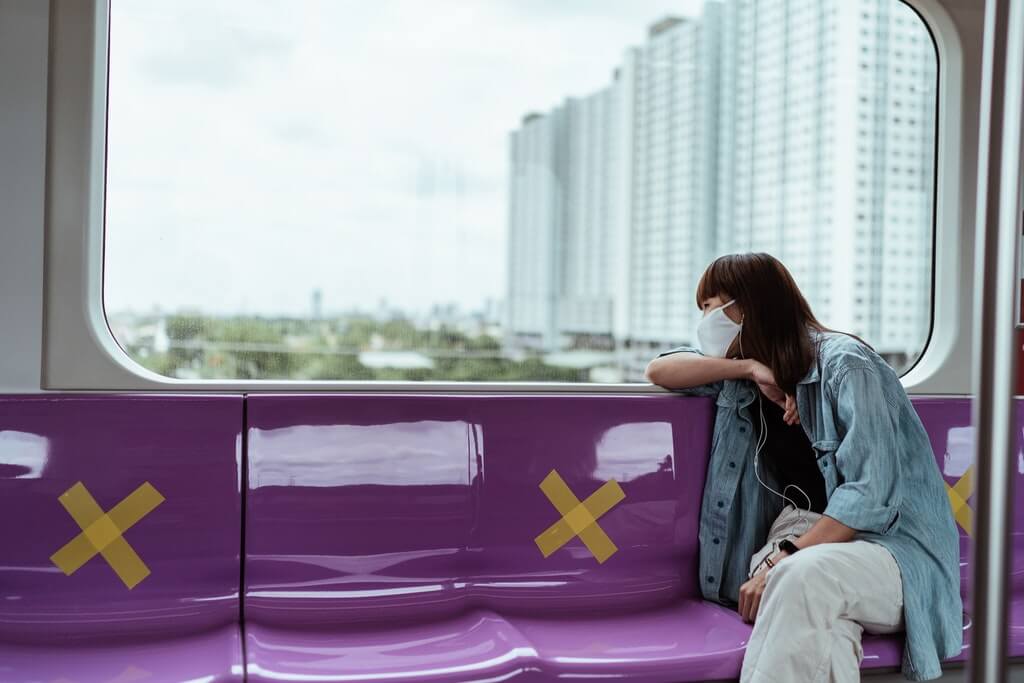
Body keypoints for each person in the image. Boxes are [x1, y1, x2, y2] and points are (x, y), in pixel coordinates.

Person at [644, 253, 962, 682]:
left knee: (797, 579)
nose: (705, 320)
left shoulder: (847, 366)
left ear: (746, 308)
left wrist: (784, 559)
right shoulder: (747, 380)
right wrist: (748, 366)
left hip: (894, 551)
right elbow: (660, 369)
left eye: (710, 306)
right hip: (811, 542)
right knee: (823, 631)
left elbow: (870, 495)